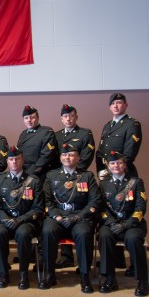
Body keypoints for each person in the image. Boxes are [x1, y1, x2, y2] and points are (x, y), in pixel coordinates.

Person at [39, 142, 101, 293]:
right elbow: (46, 200)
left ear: (78, 158)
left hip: (79, 217)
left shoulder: (87, 176)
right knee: (47, 231)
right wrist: (56, 216)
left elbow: (95, 201)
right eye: (64, 154)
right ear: (60, 157)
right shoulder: (52, 175)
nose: (68, 157)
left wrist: (78, 217)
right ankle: (50, 274)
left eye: (72, 154)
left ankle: (84, 277)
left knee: (84, 233)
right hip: (58, 216)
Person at [0, 146, 44, 290]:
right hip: (5, 219)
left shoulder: (33, 181)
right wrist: (5, 219)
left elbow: (37, 208)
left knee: (23, 234)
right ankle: (3, 273)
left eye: (17, 159)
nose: (14, 162)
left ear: (22, 160)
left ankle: (23, 274)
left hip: (25, 221)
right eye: (11, 159)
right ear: (7, 161)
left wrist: (20, 220)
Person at [98, 151, 149, 297]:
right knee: (104, 235)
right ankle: (109, 278)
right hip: (111, 223)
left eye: (119, 162)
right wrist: (112, 222)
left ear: (125, 165)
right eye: (113, 163)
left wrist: (126, 224)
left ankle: (142, 280)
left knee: (133, 239)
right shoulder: (103, 184)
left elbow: (141, 207)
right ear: (108, 166)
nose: (116, 166)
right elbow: (101, 208)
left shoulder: (136, 182)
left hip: (132, 224)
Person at [54, 104, 96, 268]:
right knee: (63, 212)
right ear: (61, 119)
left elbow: (86, 156)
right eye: (65, 116)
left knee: (78, 214)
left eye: (71, 115)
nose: (68, 118)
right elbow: (53, 158)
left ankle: (82, 260)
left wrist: (74, 172)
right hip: (60, 178)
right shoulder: (56, 136)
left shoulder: (85, 134)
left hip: (78, 177)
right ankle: (66, 256)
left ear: (76, 116)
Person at [96, 92, 143, 179]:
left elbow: (129, 154)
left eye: (119, 102)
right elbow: (100, 152)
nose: (115, 106)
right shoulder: (107, 126)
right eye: (113, 103)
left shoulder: (132, 124)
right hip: (106, 175)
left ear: (126, 105)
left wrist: (112, 169)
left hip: (123, 173)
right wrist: (100, 171)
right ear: (110, 107)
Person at [16, 105, 58, 183]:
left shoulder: (46, 132)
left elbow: (47, 155)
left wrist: (30, 172)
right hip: (23, 173)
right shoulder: (23, 134)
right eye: (26, 118)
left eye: (32, 117)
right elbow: (18, 154)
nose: (29, 120)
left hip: (39, 174)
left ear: (38, 118)